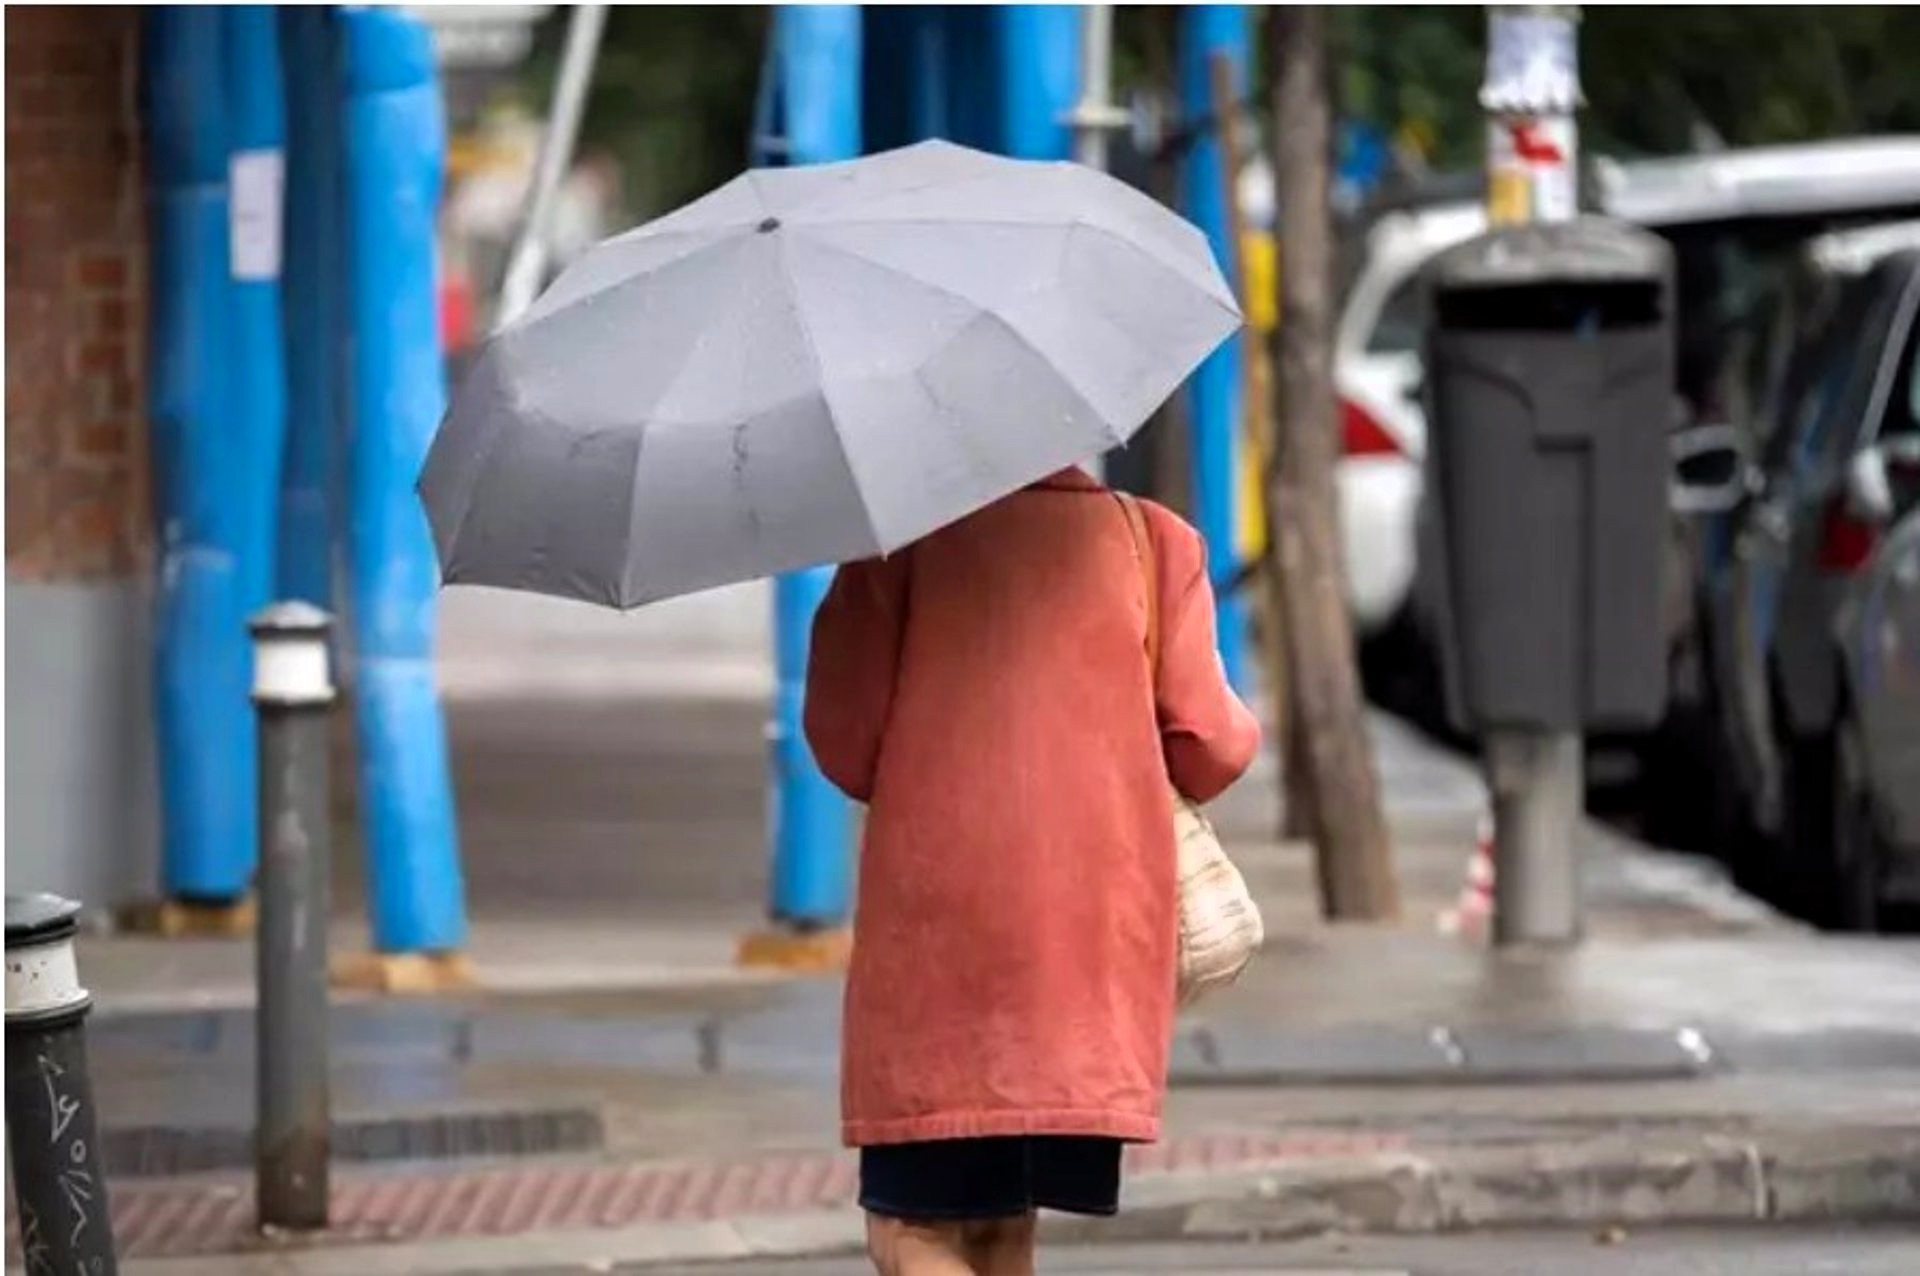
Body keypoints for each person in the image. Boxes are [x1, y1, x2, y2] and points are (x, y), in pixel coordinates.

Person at [805, 466, 1262, 1276]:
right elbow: (1211, 743)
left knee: (912, 1230)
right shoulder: (1148, 540)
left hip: (940, 945)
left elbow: (844, 740)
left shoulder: (898, 550)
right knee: (1002, 1229)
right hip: (1087, 947)